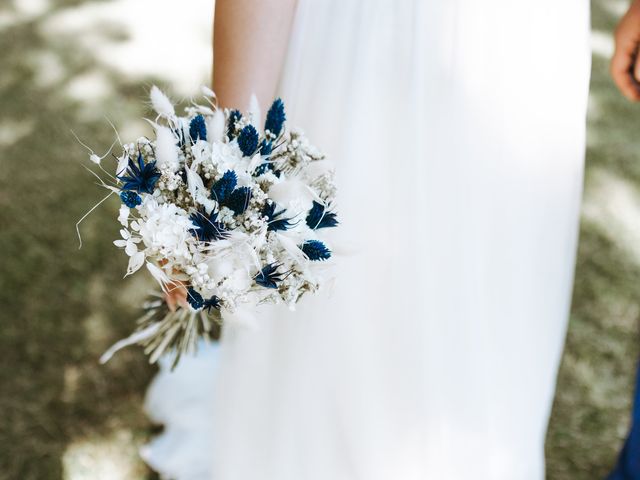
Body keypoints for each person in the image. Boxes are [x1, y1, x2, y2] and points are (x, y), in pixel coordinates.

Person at [145, 1, 593, 478]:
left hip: (527, 62)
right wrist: (227, 160)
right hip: (367, 49)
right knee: (345, 310)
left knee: (490, 320)